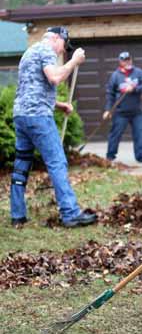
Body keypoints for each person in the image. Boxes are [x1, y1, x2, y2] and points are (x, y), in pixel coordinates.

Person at [10, 26, 97, 229]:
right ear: (57, 38)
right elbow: (55, 78)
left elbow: (31, 89)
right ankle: (70, 213)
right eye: (64, 46)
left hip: (21, 116)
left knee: (21, 165)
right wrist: (74, 61)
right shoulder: (47, 51)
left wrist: (59, 105)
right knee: (57, 162)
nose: (62, 51)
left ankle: (17, 215)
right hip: (38, 117)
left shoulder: (29, 52)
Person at [103, 52, 142, 163]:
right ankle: (110, 156)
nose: (127, 62)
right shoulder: (115, 76)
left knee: (140, 135)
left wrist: (134, 89)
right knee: (115, 134)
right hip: (120, 112)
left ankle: (141, 156)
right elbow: (110, 93)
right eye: (124, 60)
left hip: (136, 112)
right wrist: (108, 110)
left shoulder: (138, 73)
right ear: (120, 62)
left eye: (128, 59)